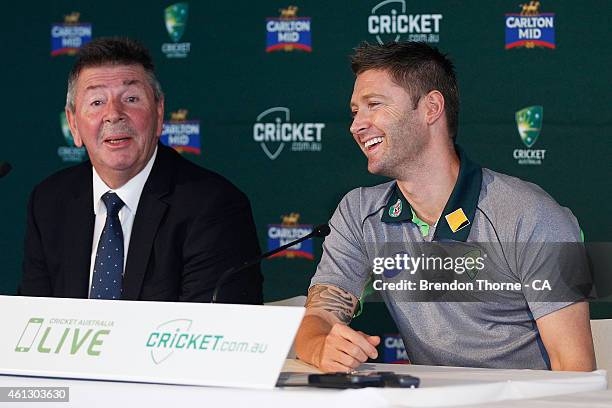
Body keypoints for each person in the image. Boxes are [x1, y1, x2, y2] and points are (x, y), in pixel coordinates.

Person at [294, 41, 595, 372]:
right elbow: (320, 316)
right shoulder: (358, 213)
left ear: (431, 108)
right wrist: (321, 345)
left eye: (374, 105)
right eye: (355, 111)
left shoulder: (530, 215)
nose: (356, 125)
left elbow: (574, 367)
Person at [20, 37, 263, 303]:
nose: (114, 114)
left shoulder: (213, 208)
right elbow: (33, 319)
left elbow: (206, 334)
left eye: (131, 98)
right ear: (73, 124)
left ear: (159, 114)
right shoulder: (49, 201)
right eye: (97, 102)